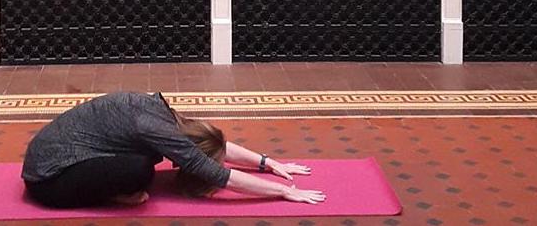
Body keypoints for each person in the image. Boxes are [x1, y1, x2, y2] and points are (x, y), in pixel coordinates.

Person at [22, 91, 325, 208]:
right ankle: (116, 197)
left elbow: (214, 147)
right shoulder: (156, 129)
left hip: (49, 156)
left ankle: (111, 189)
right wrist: (283, 192)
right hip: (49, 181)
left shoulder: (163, 113)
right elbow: (218, 175)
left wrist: (266, 162)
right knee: (139, 170)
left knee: (140, 162)